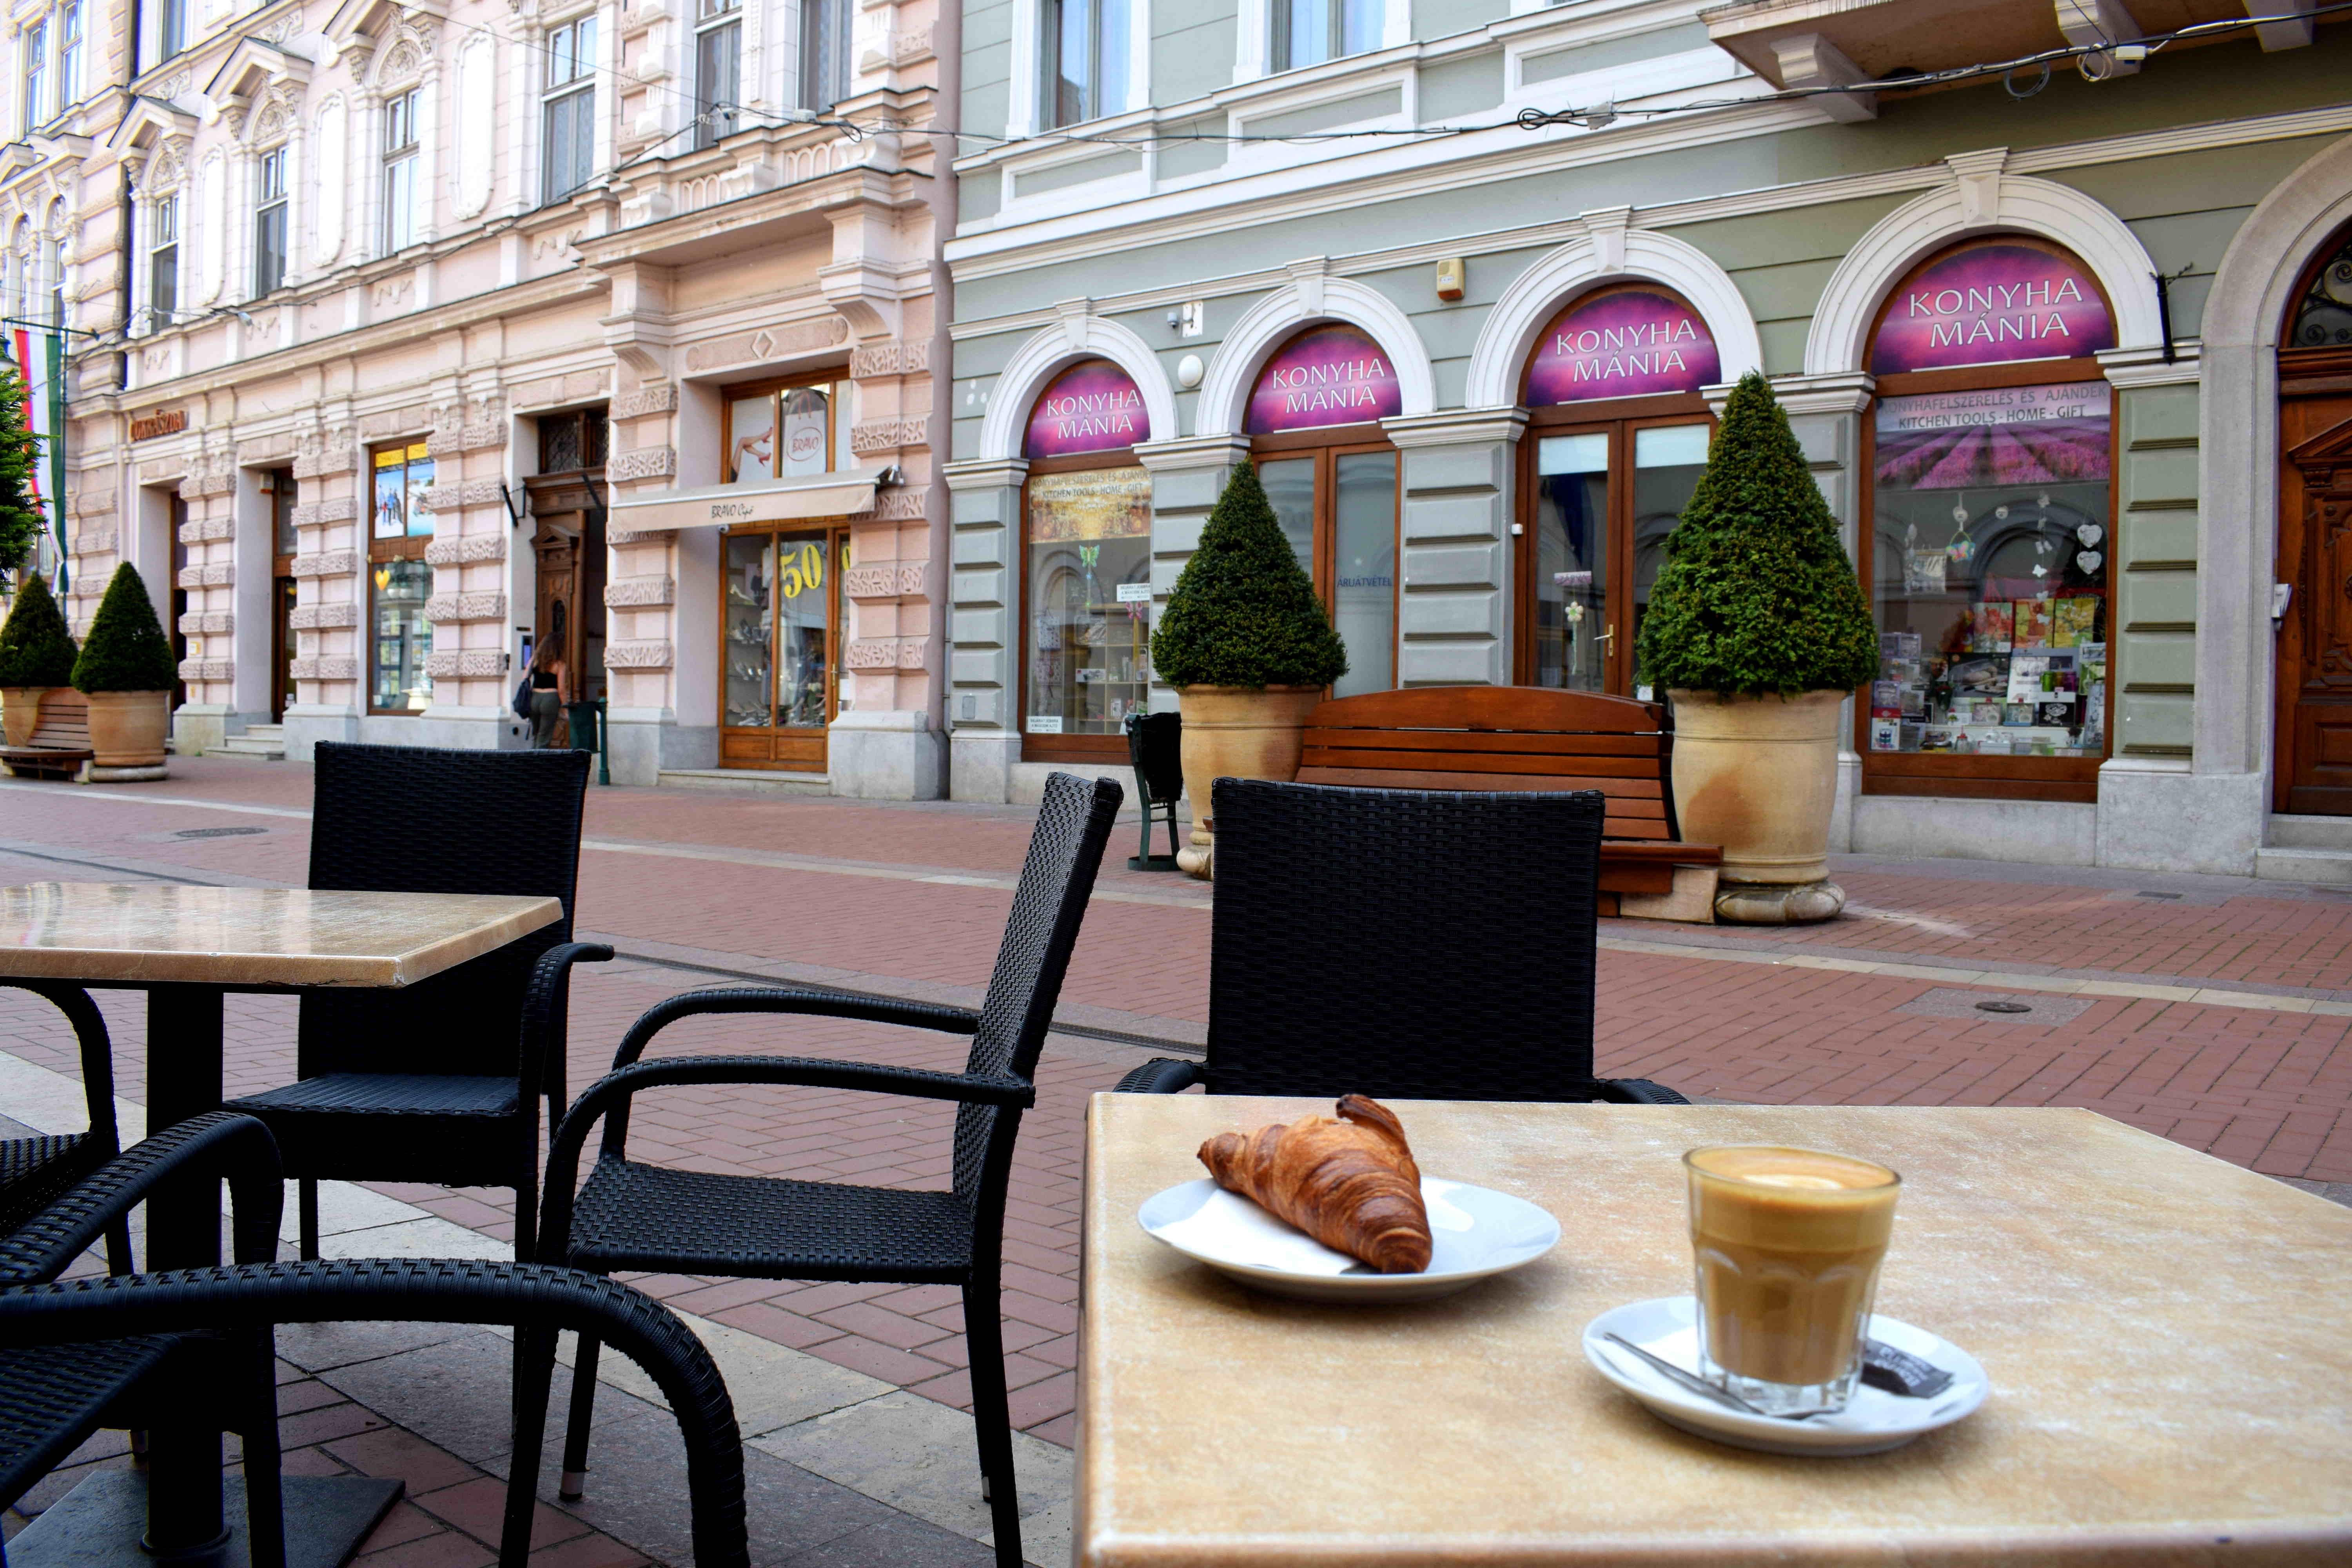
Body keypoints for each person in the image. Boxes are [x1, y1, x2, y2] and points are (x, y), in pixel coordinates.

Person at [528, 637, 568, 749]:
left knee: (535, 735)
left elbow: (525, 677)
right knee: (544, 737)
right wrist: (565, 709)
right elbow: (561, 689)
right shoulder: (560, 664)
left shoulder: (535, 660)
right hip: (551, 698)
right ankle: (539, 765)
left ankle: (530, 762)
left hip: (535, 698)